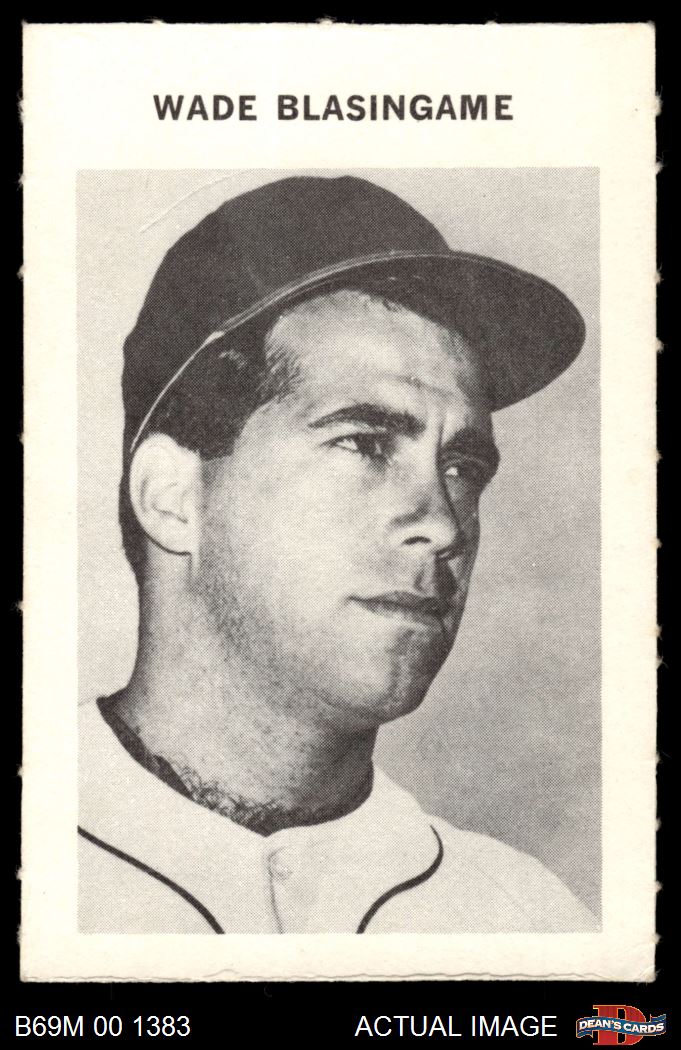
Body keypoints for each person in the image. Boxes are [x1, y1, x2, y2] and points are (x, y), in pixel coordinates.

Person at [79, 174, 596, 934]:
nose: (442, 524)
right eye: (365, 444)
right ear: (172, 498)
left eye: (462, 468)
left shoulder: (533, 921)